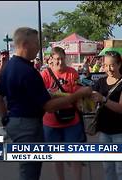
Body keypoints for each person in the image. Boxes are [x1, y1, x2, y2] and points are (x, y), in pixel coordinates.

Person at [0, 27, 92, 180]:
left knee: (29, 169)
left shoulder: (10, 66)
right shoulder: (28, 72)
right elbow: (48, 106)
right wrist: (77, 95)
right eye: (36, 43)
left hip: (16, 123)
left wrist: (6, 119)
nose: (38, 48)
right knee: (30, 172)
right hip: (29, 127)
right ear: (25, 44)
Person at [41, 47, 86, 180]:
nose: (60, 62)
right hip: (50, 122)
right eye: (57, 59)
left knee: (75, 156)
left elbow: (77, 91)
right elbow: (42, 96)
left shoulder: (72, 72)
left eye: (62, 59)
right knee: (56, 156)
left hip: (72, 120)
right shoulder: (45, 74)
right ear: (51, 60)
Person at [91, 51, 122, 180]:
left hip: (121, 131)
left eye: (112, 65)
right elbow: (91, 104)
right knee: (107, 167)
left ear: (119, 64)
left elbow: (121, 108)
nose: (109, 69)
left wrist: (103, 99)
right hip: (104, 131)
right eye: (106, 65)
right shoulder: (101, 82)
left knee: (121, 168)